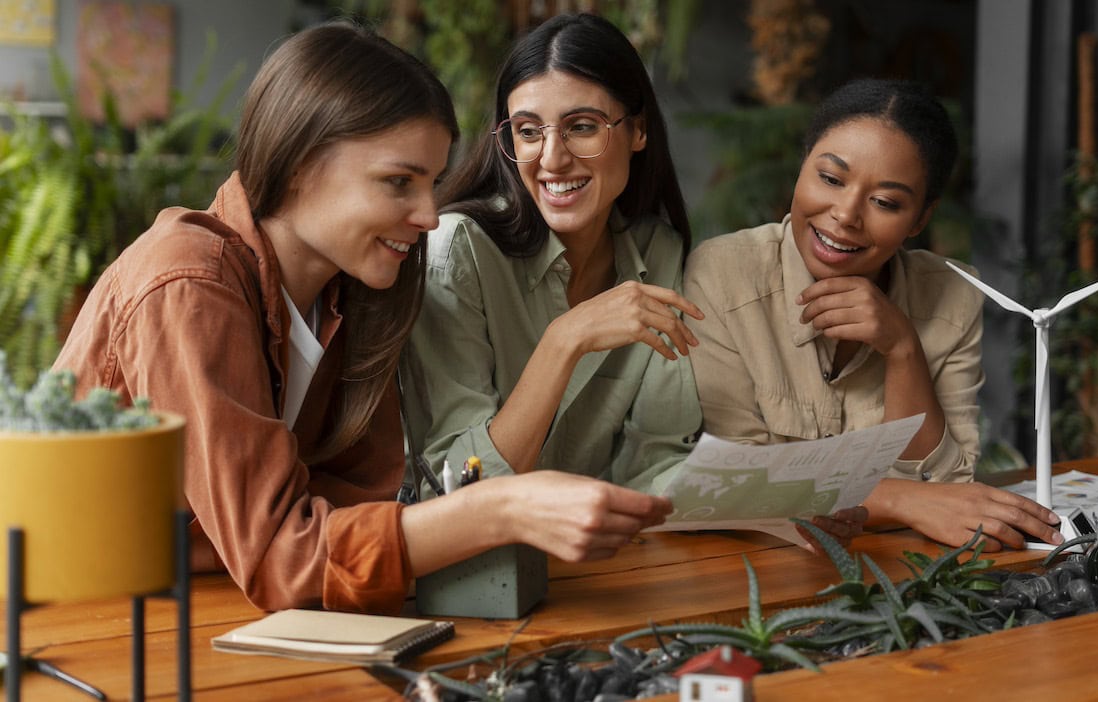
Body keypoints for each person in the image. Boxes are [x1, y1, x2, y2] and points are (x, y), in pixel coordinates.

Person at [54, 21, 671, 614]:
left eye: (431, 182)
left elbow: (366, 503)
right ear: (300, 166)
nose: (430, 214)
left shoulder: (357, 291)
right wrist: (504, 508)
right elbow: (281, 557)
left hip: (212, 609)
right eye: (399, 181)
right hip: (75, 617)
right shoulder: (188, 283)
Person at [684, 78, 1063, 551]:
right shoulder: (722, 274)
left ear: (921, 220)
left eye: (885, 202)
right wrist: (903, 501)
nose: (845, 214)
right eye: (829, 178)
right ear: (802, 168)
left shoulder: (951, 294)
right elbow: (733, 485)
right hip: (750, 568)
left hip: (905, 568)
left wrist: (903, 347)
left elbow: (948, 481)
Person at [400, 13, 703, 492]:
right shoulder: (458, 251)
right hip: (480, 560)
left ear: (638, 130)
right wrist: (565, 341)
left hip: (613, 552)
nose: (552, 158)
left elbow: (659, 457)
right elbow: (460, 480)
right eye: (528, 131)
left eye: (582, 126)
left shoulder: (658, 253)